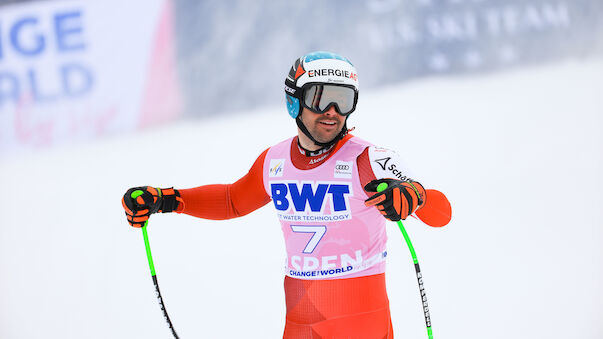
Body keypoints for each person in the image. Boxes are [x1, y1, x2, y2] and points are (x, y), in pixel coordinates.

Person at [122, 51, 451, 338]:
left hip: (361, 320)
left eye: (344, 100)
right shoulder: (274, 161)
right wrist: (166, 199)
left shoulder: (368, 159)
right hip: (301, 320)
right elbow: (232, 201)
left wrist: (415, 196)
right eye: (320, 98)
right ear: (294, 100)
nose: (333, 110)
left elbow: (441, 213)